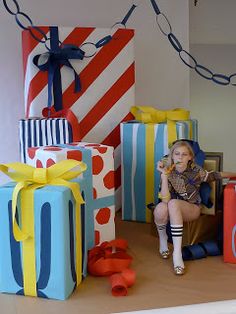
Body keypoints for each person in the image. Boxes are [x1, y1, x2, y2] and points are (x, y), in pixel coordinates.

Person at [154, 140, 236, 275]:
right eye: (177, 154)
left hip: (191, 208)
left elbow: (214, 175)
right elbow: (165, 199)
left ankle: (177, 253)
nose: (180, 157)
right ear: (172, 156)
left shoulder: (196, 171)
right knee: (160, 208)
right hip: (171, 206)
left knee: (173, 204)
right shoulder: (169, 171)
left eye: (184, 154)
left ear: (190, 157)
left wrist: (234, 173)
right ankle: (163, 241)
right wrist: (164, 177)